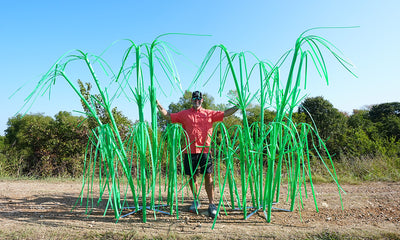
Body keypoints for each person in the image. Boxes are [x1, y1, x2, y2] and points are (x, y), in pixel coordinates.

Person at [156, 91, 238, 218]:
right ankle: (196, 200)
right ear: (191, 100)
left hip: (205, 150)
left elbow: (225, 113)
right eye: (194, 98)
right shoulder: (184, 114)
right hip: (189, 151)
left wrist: (238, 106)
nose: (196, 100)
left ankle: (211, 204)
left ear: (202, 100)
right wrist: (158, 104)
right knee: (191, 177)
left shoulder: (209, 113)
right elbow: (168, 116)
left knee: (208, 176)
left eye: (199, 98)